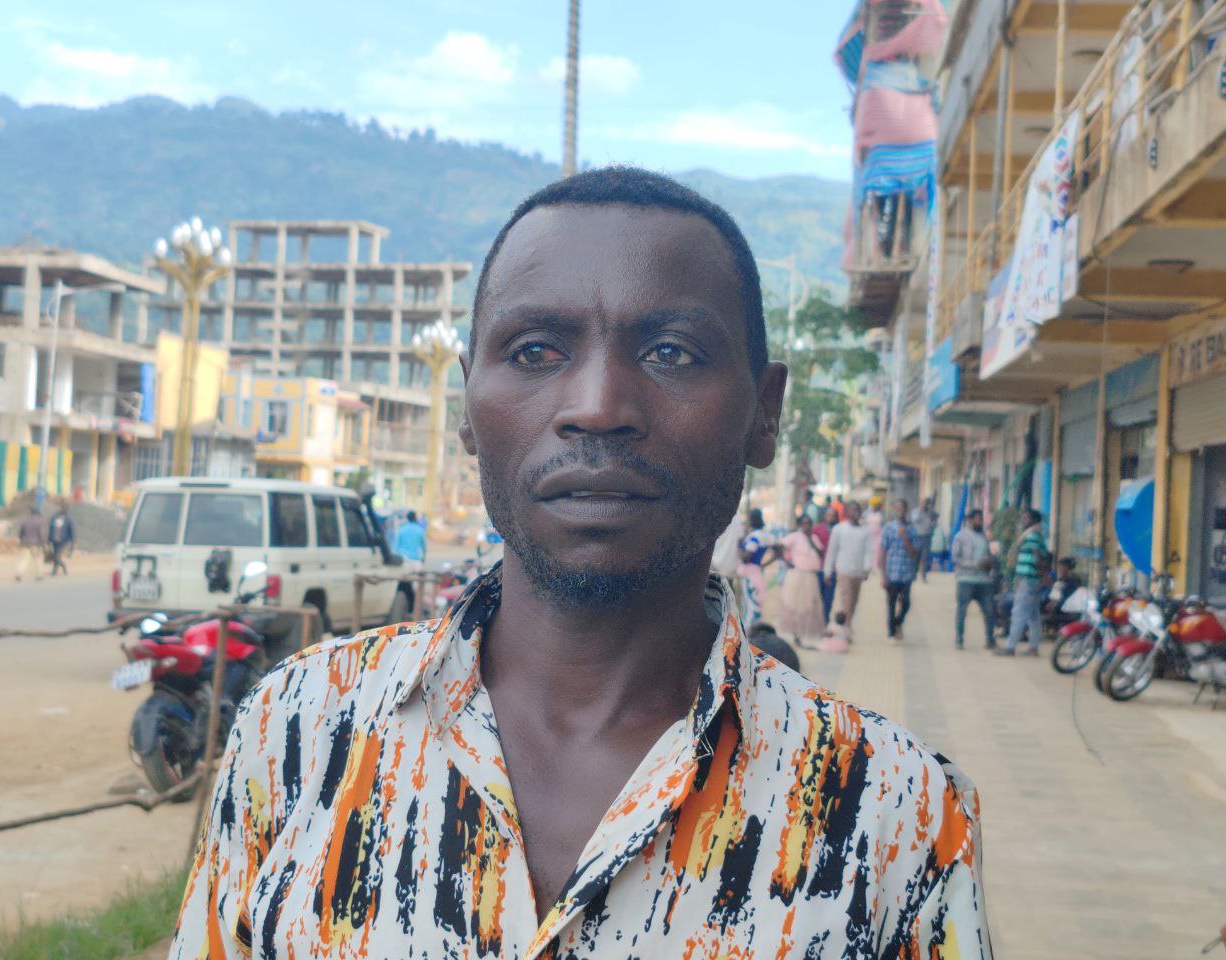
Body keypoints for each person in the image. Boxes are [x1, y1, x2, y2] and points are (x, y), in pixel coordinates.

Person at [174, 167, 989, 958]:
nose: (597, 407)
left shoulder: (896, 808)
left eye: (672, 352)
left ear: (763, 414)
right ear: (468, 407)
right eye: (535, 351)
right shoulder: (298, 730)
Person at [998, 509, 1050, 656]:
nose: (1023, 520)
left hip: (1029, 579)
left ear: (1034, 520)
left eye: (1026, 518)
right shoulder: (1036, 535)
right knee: (1033, 615)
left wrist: (1039, 575)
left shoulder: (1032, 536)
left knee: (1018, 612)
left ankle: (1010, 647)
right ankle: (1033, 647)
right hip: (1031, 579)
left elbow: (1037, 557)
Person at [823, 501, 876, 632]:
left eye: (857, 510)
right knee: (846, 600)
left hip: (858, 571)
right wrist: (827, 571)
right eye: (852, 510)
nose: (855, 513)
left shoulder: (865, 531)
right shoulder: (839, 529)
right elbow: (832, 551)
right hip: (843, 570)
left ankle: (847, 624)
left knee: (853, 601)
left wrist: (867, 569)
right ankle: (845, 630)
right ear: (846, 512)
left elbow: (868, 552)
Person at [775, 514, 825, 644]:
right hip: (797, 575)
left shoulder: (814, 538)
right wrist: (786, 561)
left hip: (811, 576)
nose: (807, 526)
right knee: (795, 605)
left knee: (808, 605)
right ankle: (795, 634)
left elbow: (820, 553)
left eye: (809, 523)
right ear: (799, 525)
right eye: (804, 523)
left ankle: (803, 635)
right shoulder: (794, 536)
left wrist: (810, 540)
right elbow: (778, 546)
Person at [952, 509, 996, 649]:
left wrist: (990, 562)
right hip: (966, 579)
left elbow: (989, 555)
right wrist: (975, 564)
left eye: (981, 519)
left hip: (984, 580)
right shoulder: (961, 536)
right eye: (978, 519)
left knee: (989, 611)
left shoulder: (984, 537)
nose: (980, 522)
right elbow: (955, 558)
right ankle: (959, 639)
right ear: (970, 520)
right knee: (962, 611)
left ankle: (990, 640)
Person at [879, 498, 921, 640]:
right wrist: (883, 575)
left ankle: (898, 621)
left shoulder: (912, 529)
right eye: (897, 508)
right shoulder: (888, 528)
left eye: (902, 508)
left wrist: (905, 538)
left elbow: (914, 553)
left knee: (906, 603)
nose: (900, 511)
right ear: (894, 510)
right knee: (891, 603)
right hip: (892, 572)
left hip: (906, 573)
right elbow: (883, 550)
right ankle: (891, 630)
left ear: (906, 510)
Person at [737, 508, 775, 630]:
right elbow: (779, 550)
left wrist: (739, 546)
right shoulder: (766, 535)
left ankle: (749, 632)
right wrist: (765, 564)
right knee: (755, 603)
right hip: (757, 572)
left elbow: (746, 558)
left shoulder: (754, 537)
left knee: (750, 605)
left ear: (751, 519)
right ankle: (754, 630)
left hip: (748, 574)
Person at [393, 509, 428, 612]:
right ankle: (417, 609)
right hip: (416, 560)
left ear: (407, 519)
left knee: (404, 586)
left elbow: (395, 547)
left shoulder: (401, 530)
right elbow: (424, 547)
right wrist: (423, 559)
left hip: (404, 561)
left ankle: (407, 608)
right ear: (415, 518)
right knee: (417, 586)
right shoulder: (420, 530)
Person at [813, 506, 838, 622]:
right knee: (816, 596)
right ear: (824, 516)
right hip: (818, 567)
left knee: (828, 598)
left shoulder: (838, 529)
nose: (831, 518)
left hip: (833, 569)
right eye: (828, 515)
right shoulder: (817, 529)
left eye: (833, 515)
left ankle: (825, 621)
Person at [912, 498, 939, 582]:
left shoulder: (931, 512)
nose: (925, 505)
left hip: (927, 536)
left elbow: (935, 524)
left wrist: (932, 520)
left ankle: (923, 575)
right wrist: (921, 511)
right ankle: (913, 575)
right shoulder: (916, 511)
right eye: (924, 503)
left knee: (925, 557)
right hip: (917, 536)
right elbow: (914, 520)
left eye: (927, 503)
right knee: (916, 557)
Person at [15, 506, 44, 582]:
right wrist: (43, 544)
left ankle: (19, 574)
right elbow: (41, 534)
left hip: (25, 543)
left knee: (24, 559)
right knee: (38, 560)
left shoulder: (25, 521)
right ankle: (39, 575)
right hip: (36, 544)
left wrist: (21, 541)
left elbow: (20, 533)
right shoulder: (39, 521)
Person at [47, 501, 75, 577]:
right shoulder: (54, 518)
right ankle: (55, 570)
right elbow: (51, 529)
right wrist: (49, 539)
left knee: (57, 556)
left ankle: (63, 567)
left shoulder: (68, 519)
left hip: (63, 541)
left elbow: (72, 530)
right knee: (56, 555)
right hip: (54, 540)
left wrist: (73, 541)